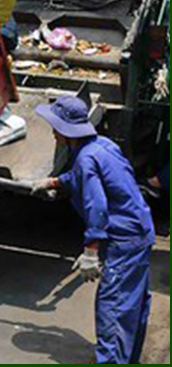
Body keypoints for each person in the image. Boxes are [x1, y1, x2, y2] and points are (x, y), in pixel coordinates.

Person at [33, 96, 156, 365]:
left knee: (112, 307)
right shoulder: (102, 146)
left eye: (55, 126)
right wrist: (55, 181)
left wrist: (91, 251)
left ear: (66, 130)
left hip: (123, 239)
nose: (53, 132)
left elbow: (97, 207)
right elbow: (90, 176)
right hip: (141, 232)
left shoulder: (86, 159)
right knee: (132, 303)